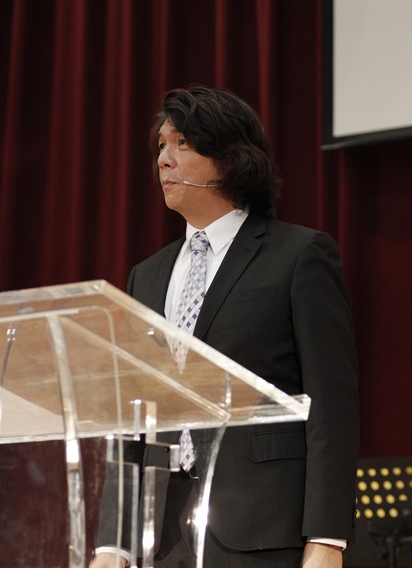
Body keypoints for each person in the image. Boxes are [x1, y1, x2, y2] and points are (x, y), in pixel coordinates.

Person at [90, 86, 359, 568]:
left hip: (264, 528)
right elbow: (133, 415)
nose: (164, 159)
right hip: (162, 534)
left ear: (231, 159)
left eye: (182, 143)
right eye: (161, 146)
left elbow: (330, 404)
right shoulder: (146, 276)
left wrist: (327, 537)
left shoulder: (299, 255)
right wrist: (113, 542)